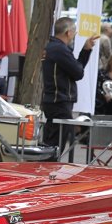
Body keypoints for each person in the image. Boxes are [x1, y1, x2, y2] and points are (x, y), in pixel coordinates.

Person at [40, 16, 96, 159]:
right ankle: (48, 169)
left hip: (54, 99)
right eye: (74, 32)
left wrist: (85, 50)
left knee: (52, 141)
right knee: (55, 144)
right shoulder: (59, 49)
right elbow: (78, 72)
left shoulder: (53, 47)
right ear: (68, 32)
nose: (74, 36)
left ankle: (47, 167)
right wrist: (85, 51)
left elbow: (75, 69)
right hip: (59, 101)